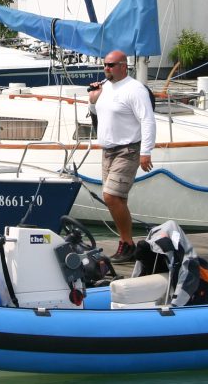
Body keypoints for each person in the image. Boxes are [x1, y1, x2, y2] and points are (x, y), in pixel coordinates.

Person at [88, 49, 155, 264]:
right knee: (117, 199)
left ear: (123, 66)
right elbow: (98, 113)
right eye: (105, 64)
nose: (106, 68)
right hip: (108, 151)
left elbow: (147, 120)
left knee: (110, 196)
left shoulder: (135, 89)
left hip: (128, 149)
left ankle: (127, 243)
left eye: (110, 65)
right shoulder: (105, 87)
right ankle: (126, 244)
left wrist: (146, 152)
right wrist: (92, 100)